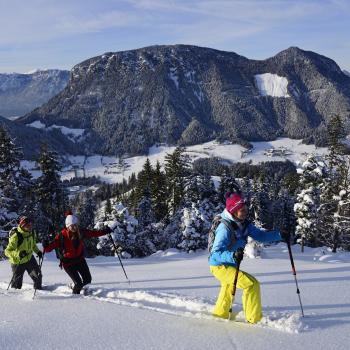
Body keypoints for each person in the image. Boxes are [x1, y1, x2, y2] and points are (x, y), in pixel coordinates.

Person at [209, 192, 283, 324]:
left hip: (229, 264)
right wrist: (232, 255)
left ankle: (220, 314)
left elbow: (261, 236)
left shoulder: (244, 224)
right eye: (241, 210)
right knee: (251, 284)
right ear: (233, 211)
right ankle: (254, 319)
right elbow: (215, 253)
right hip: (219, 265)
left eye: (245, 209)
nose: (245, 212)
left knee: (228, 287)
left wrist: (280, 235)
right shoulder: (224, 228)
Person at [43, 213, 112, 294]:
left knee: (87, 280)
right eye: (72, 226)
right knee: (78, 283)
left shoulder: (81, 232)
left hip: (79, 260)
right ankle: (76, 297)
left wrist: (105, 231)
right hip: (68, 263)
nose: (74, 227)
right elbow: (48, 249)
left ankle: (75, 286)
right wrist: (46, 245)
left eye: (76, 225)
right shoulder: (62, 236)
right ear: (67, 226)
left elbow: (94, 233)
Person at [5, 216, 43, 290]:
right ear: (23, 225)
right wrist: (18, 254)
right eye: (28, 225)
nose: (30, 227)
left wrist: (37, 251)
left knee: (38, 276)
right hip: (17, 262)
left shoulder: (32, 233)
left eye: (31, 225)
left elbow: (33, 245)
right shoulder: (16, 236)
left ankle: (38, 292)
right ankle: (14, 298)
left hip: (29, 259)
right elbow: (7, 251)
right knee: (17, 284)